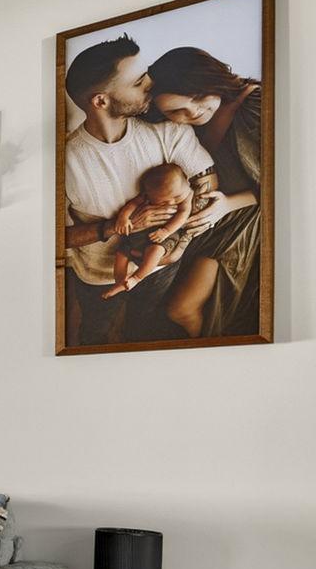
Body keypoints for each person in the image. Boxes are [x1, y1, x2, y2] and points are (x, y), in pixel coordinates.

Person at [59, 34, 255, 343]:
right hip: (96, 275)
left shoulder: (168, 130)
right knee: (94, 333)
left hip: (161, 267)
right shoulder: (66, 161)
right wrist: (113, 227)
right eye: (138, 82)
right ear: (101, 101)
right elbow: (55, 239)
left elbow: (206, 190)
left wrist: (176, 247)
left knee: (144, 329)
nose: (151, 83)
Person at [103, 162, 196, 299]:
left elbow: (183, 214)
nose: (171, 203)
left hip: (165, 234)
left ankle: (136, 278)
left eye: (177, 197)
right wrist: (123, 218)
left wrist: (166, 231)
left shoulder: (187, 194)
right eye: (163, 202)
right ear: (148, 194)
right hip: (139, 233)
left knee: (155, 251)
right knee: (122, 253)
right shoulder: (149, 195)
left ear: (186, 181)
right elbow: (133, 204)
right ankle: (119, 282)